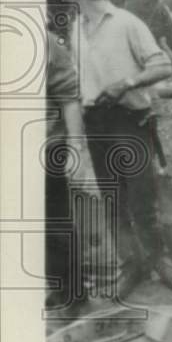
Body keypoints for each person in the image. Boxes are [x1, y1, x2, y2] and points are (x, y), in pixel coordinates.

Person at [58, 0, 172, 293]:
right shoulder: (75, 28)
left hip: (128, 120)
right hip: (95, 122)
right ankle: (132, 264)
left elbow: (162, 65)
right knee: (112, 199)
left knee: (142, 198)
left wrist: (126, 83)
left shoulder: (127, 23)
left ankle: (158, 259)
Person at [44, 29, 96, 312]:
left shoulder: (45, 42)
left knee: (54, 224)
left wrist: (75, 148)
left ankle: (72, 294)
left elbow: (69, 97)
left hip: (45, 146)